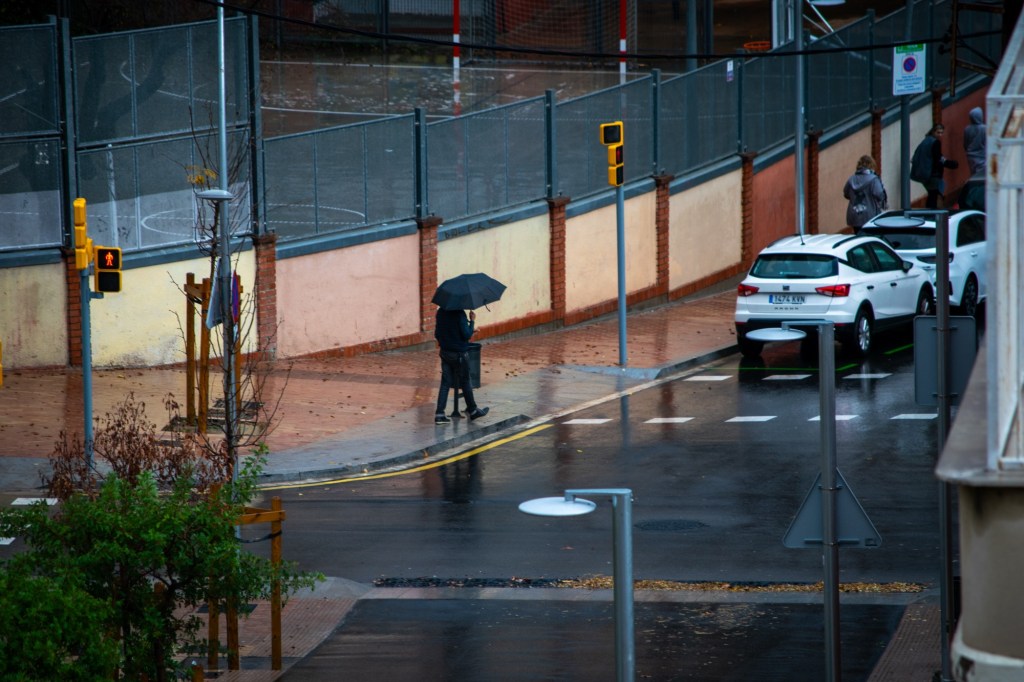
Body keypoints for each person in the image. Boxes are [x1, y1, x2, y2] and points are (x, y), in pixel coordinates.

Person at [434, 307, 489, 424]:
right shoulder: (460, 314)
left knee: (445, 383)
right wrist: (472, 321)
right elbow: (466, 335)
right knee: (465, 381)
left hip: (445, 352)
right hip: (459, 354)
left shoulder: (440, 312)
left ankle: (439, 414)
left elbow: (437, 334)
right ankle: (473, 411)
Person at [911, 124, 959, 209]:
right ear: (933, 132)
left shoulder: (925, 141)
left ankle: (930, 213)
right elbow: (938, 157)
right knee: (934, 196)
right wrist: (950, 164)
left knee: (932, 195)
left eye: (941, 133)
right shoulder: (935, 143)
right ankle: (933, 215)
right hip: (933, 174)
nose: (940, 135)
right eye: (938, 132)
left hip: (926, 174)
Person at [843, 155, 888, 229]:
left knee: (858, 237)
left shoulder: (851, 179)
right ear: (871, 165)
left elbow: (846, 194)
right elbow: (879, 194)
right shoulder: (873, 180)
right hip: (870, 216)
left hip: (854, 215)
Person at [963, 106, 986, 177]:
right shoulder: (984, 128)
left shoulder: (967, 129)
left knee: (974, 175)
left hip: (971, 156)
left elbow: (965, 144)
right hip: (982, 156)